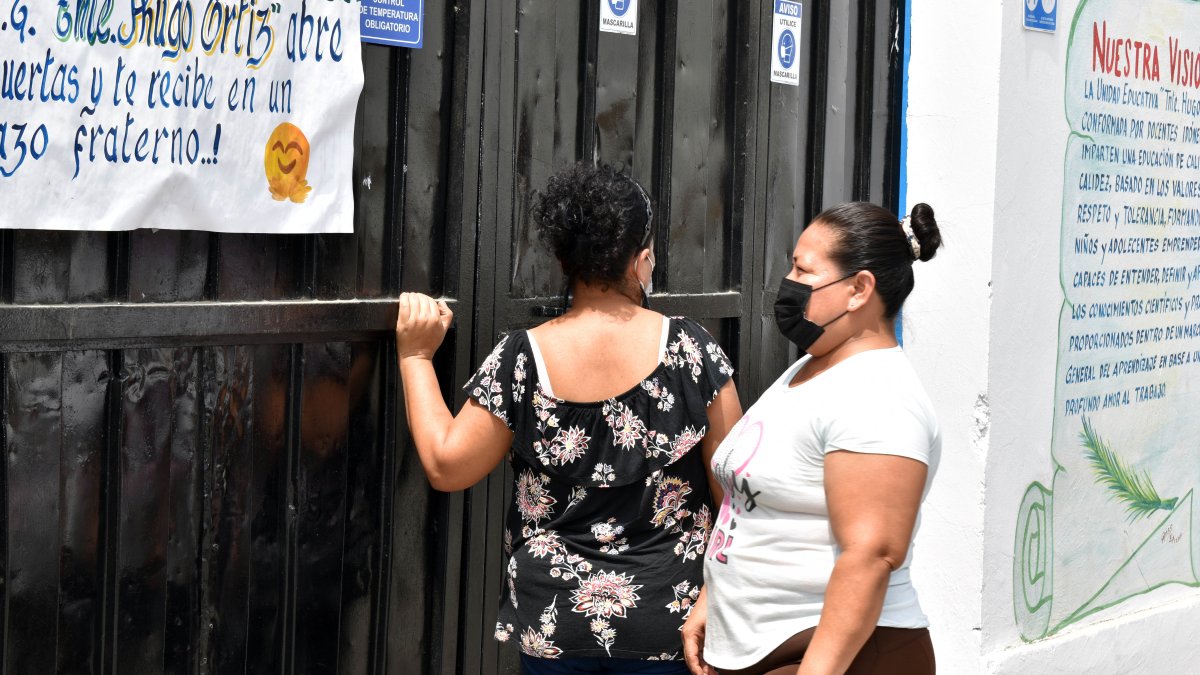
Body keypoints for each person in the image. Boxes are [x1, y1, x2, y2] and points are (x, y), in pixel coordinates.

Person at [395, 163, 742, 674]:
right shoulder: (691, 351)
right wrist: (717, 596)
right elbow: (737, 492)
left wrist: (415, 358)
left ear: (562, 257)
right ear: (640, 260)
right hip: (671, 622)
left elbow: (448, 465)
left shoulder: (522, 357)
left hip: (556, 623)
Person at [681, 202, 943, 675]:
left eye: (803, 270)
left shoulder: (878, 397)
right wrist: (712, 599)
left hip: (839, 658)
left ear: (859, 289)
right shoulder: (814, 365)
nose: (789, 282)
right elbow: (754, 506)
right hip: (767, 647)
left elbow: (871, 554)